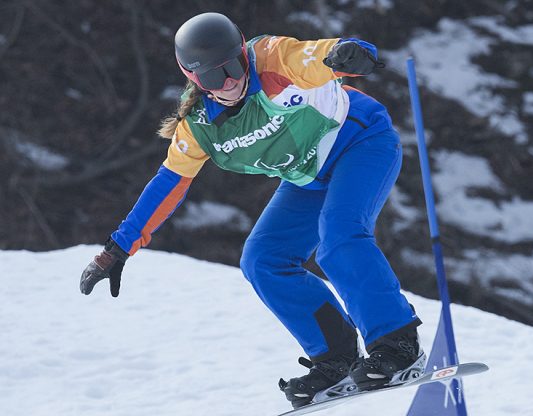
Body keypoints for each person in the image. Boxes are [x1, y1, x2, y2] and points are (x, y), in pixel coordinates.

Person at [79, 12, 424, 408]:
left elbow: (315, 55)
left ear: (243, 53)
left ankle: (397, 343)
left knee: (340, 237)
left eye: (233, 66)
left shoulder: (274, 60)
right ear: (194, 80)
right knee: (262, 259)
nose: (229, 82)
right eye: (213, 77)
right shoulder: (199, 126)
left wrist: (350, 53)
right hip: (307, 177)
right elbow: (169, 183)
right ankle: (337, 358)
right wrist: (118, 248)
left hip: (360, 144)